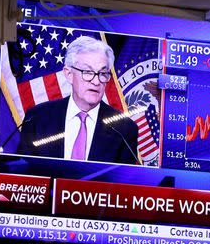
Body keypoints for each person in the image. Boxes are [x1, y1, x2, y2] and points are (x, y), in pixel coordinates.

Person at [17, 36, 139, 165]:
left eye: (103, 74)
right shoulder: (37, 118)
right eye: (88, 72)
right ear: (69, 74)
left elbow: (123, 181)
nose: (96, 81)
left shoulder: (124, 128)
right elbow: (23, 173)